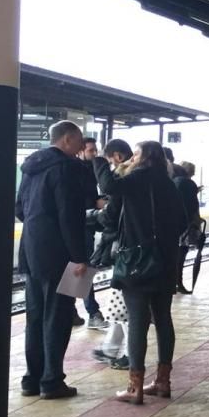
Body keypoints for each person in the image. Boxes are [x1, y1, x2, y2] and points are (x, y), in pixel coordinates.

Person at [95, 141, 187, 404]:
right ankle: (162, 381)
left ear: (145, 157)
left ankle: (134, 387)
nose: (131, 158)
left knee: (137, 321)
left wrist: (101, 160)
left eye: (135, 154)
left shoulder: (139, 178)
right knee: (163, 319)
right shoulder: (169, 183)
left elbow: (109, 187)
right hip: (165, 262)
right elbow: (182, 221)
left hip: (137, 262)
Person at [16, 121, 90, 399]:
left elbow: (20, 209)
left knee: (35, 317)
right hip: (61, 255)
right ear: (68, 139)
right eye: (80, 140)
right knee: (58, 318)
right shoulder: (67, 168)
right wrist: (79, 257)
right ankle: (52, 381)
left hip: (32, 251)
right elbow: (70, 216)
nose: (82, 146)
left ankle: (31, 379)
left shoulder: (30, 167)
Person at [89, 139, 133, 368]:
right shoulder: (144, 178)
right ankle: (110, 350)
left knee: (125, 306)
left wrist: (93, 216)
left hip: (127, 252)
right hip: (130, 251)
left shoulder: (126, 179)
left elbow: (112, 210)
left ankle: (130, 357)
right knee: (120, 305)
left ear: (116, 156)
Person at [76, 136, 107, 330]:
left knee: (79, 269)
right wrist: (94, 204)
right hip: (80, 225)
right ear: (80, 151)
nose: (94, 154)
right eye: (90, 151)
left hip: (86, 225)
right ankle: (92, 312)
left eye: (96, 150)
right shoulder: (76, 170)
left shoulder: (91, 170)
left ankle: (76, 312)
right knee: (82, 268)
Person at [173, 160, 202, 294]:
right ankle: (178, 282)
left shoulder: (174, 182)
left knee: (175, 255)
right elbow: (193, 206)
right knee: (180, 255)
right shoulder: (188, 183)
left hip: (174, 224)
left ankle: (175, 282)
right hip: (185, 224)